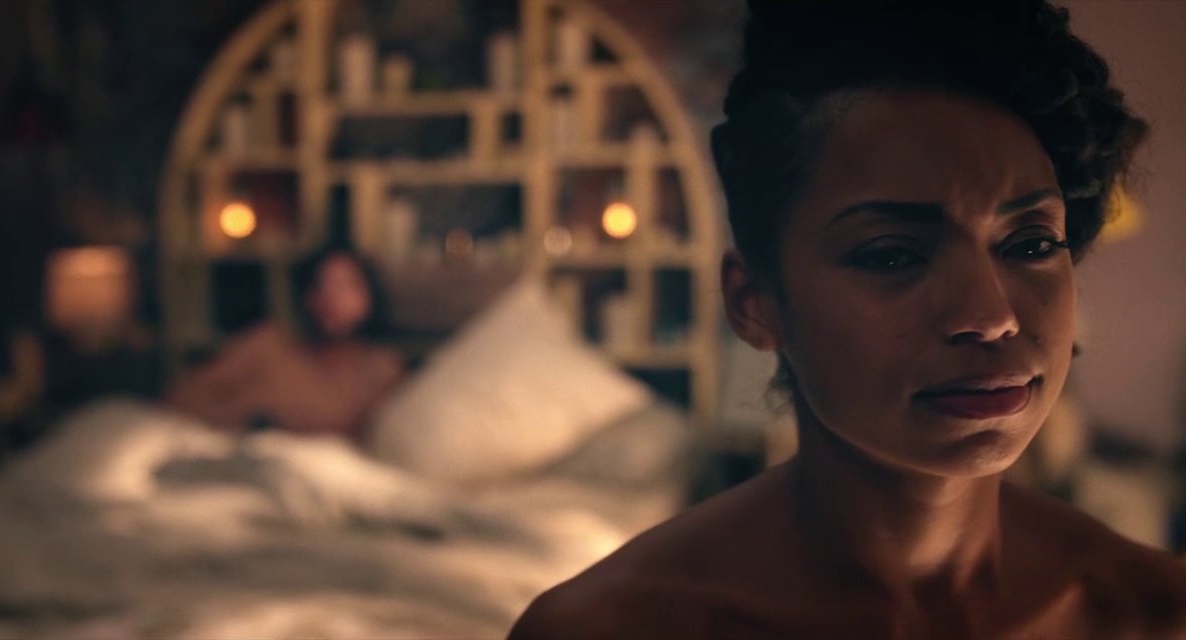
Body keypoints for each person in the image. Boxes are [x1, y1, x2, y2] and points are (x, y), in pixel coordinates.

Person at [508, 1, 1186, 637]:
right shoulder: (613, 627)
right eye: (891, 255)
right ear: (754, 303)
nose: (991, 316)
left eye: (1032, 244)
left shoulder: (1151, 611)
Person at [165, 250, 404, 440]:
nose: (330, 298)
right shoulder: (268, 345)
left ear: (368, 296)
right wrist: (249, 418)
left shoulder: (380, 368)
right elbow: (181, 400)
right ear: (307, 297)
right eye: (320, 286)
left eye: (345, 286)